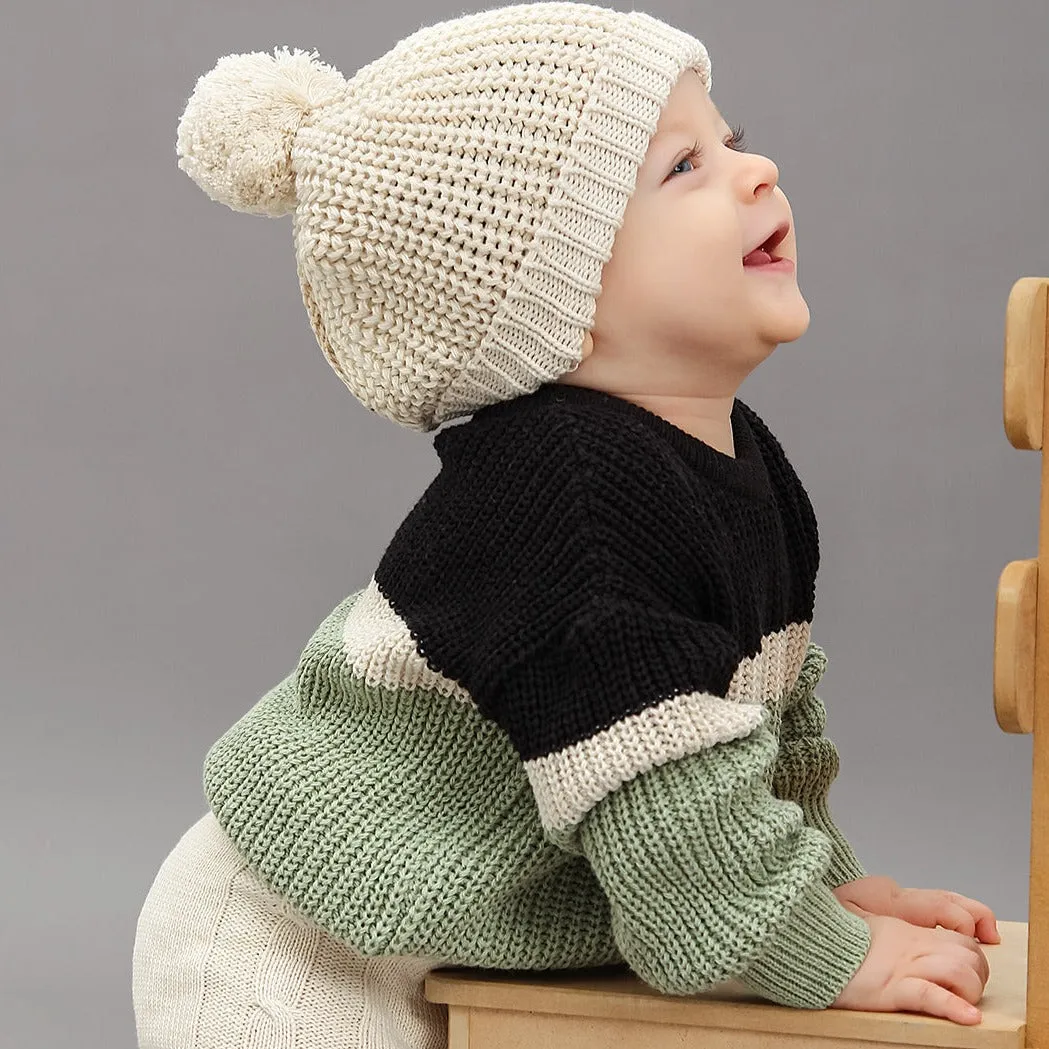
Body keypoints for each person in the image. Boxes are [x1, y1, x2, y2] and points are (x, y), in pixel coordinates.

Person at [132, 4, 999, 1047]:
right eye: (684, 167)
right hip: (303, 928)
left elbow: (757, 723)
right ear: (557, 297)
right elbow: (664, 802)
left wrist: (820, 887)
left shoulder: (737, 461)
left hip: (451, 919)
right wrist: (814, 948)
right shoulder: (570, 489)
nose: (756, 166)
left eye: (730, 138)